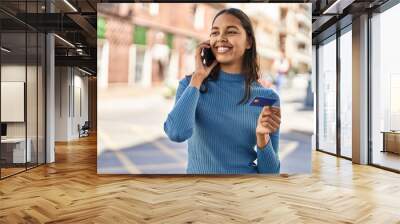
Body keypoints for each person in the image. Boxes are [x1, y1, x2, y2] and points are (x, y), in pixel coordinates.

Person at [163, 8, 281, 174]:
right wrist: (198, 78)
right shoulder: (191, 85)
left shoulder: (267, 97)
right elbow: (177, 133)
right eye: (215, 32)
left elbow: (270, 172)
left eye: (231, 31)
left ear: (249, 42)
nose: (221, 38)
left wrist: (262, 137)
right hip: (200, 194)